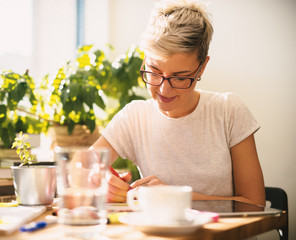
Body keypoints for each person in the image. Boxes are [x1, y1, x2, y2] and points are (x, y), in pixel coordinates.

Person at [92, 0, 265, 206]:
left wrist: (172, 195)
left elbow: (254, 203)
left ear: (201, 68)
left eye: (180, 78)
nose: (164, 90)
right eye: (154, 72)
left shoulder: (228, 111)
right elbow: (80, 169)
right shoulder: (134, 117)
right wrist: (99, 182)